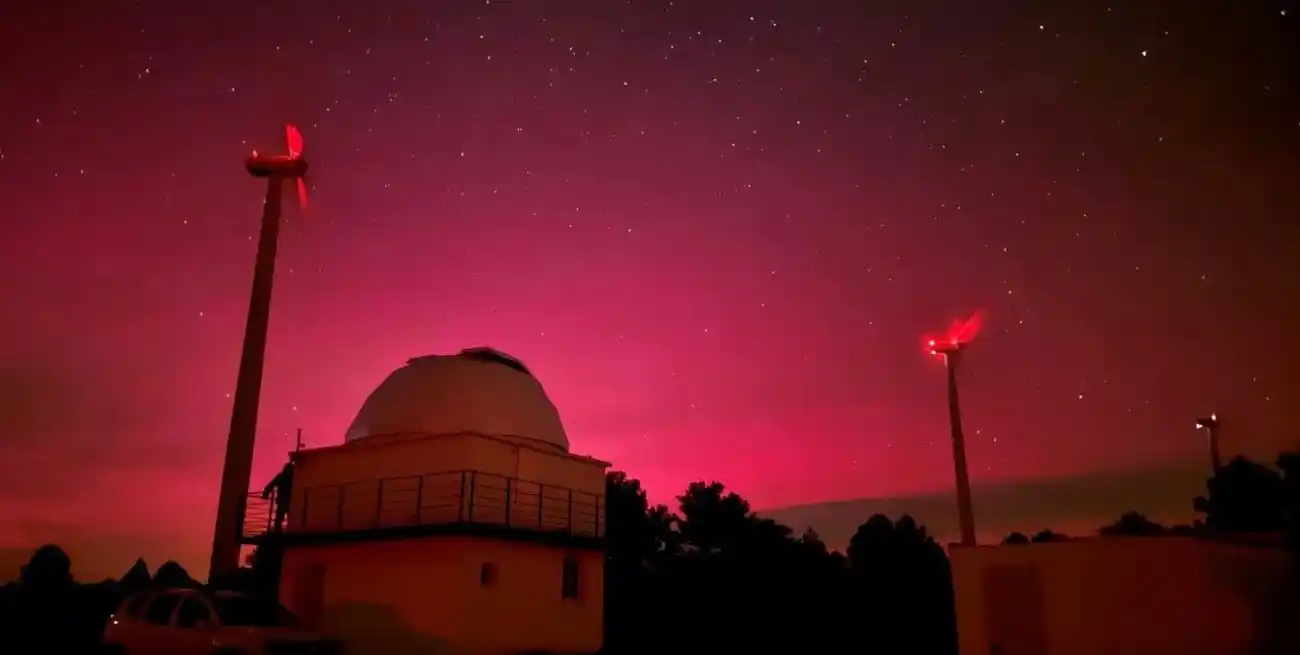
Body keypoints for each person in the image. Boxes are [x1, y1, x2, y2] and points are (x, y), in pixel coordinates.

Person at [261, 461, 295, 532]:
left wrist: (265, 493)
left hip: (286, 500)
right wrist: (266, 493)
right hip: (287, 500)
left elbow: (271, 485)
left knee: (281, 516)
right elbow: (271, 485)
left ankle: (279, 528)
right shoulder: (291, 477)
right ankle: (281, 528)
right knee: (283, 516)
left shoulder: (284, 476)